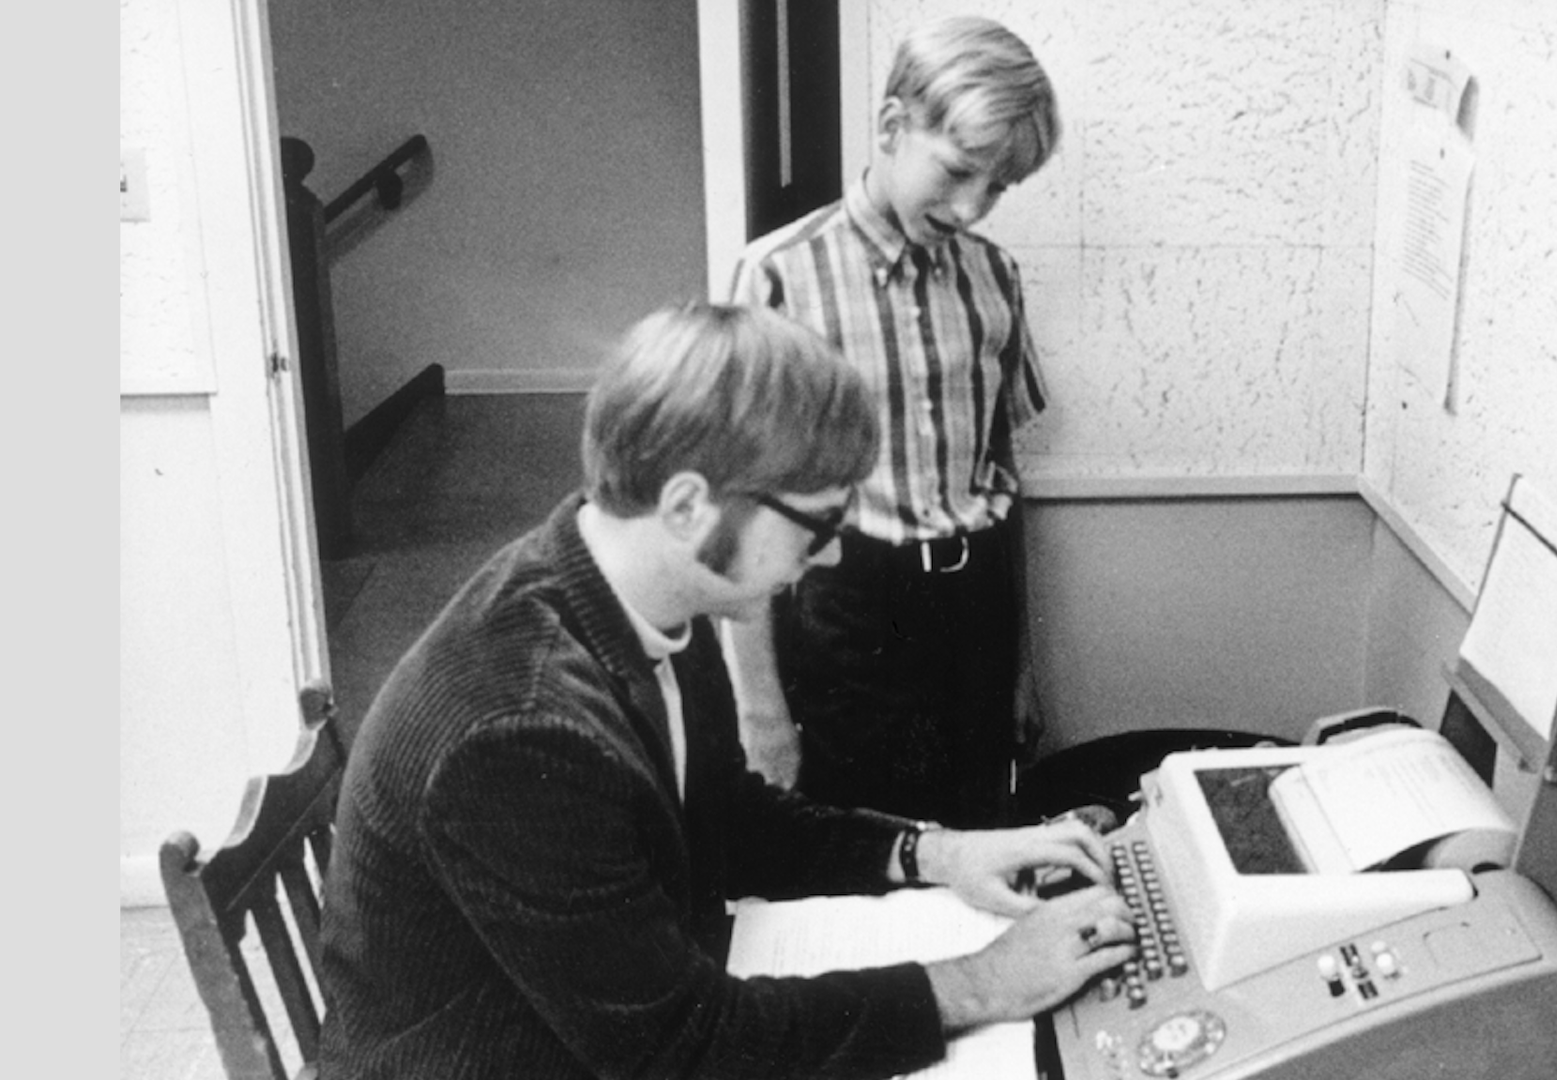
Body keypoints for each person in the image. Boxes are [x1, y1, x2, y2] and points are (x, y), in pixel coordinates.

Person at [315, 303, 1135, 1080]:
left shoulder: (638, 589)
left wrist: (939, 853)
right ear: (686, 506)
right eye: (816, 525)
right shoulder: (520, 725)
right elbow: (680, 1051)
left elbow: (723, 816)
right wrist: (982, 984)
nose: (831, 559)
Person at [726, 15, 1059, 828]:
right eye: (958, 171)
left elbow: (1001, 472)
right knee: (868, 852)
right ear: (890, 127)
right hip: (847, 613)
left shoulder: (993, 277)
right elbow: (738, 510)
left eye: (1000, 188)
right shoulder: (778, 278)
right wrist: (761, 711)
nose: (973, 206)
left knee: (982, 840)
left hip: (974, 610)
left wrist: (1019, 666)